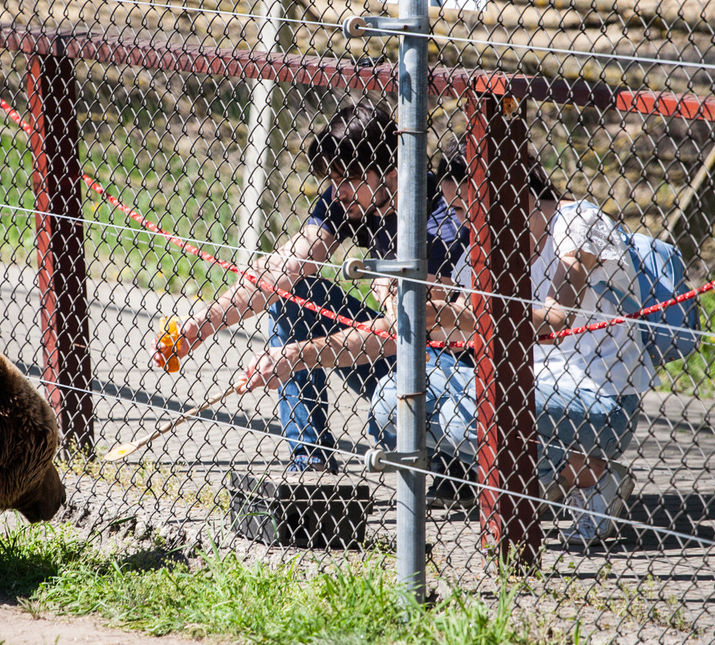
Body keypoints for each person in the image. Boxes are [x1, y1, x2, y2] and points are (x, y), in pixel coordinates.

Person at [151, 100, 467, 473]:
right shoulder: (349, 199)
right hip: (391, 346)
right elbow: (284, 270)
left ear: (391, 172)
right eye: (332, 180)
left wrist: (301, 353)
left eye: (348, 178)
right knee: (293, 295)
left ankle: (450, 461)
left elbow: (420, 327)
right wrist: (205, 323)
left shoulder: (441, 215)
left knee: (391, 340)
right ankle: (310, 462)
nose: (337, 192)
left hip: (445, 370)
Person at [373, 145, 653, 547]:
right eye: (454, 210)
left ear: (511, 191)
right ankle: (550, 478)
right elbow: (435, 324)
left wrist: (451, 316)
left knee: (464, 412)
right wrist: (301, 354)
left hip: (598, 399)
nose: (464, 220)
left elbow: (557, 317)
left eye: (469, 207)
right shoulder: (480, 251)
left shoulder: (578, 222)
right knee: (389, 400)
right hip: (518, 389)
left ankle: (585, 475)